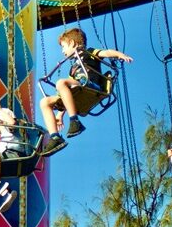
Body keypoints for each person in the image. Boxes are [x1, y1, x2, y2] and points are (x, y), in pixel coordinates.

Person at [40, 28, 132, 156]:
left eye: (63, 47)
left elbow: (106, 52)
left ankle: (74, 121)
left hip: (90, 85)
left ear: (72, 43)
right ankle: (55, 137)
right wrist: (60, 115)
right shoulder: (73, 68)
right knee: (44, 102)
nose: (63, 51)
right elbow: (67, 93)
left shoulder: (89, 52)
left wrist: (119, 54)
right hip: (79, 87)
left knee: (61, 82)